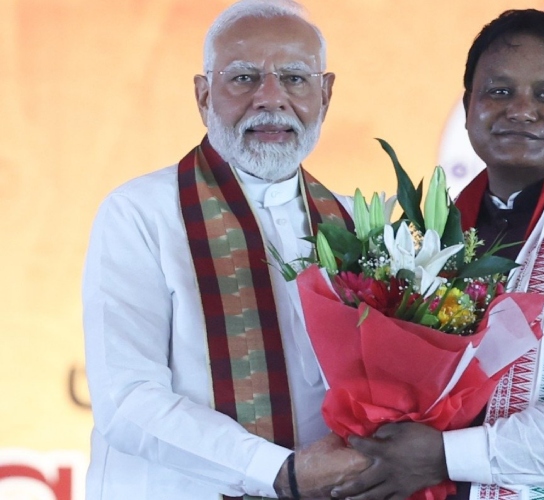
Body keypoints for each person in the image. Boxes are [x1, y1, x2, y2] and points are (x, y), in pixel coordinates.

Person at [330, 9, 544, 500]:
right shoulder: (424, 245)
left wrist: (444, 457)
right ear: (468, 105)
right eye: (498, 91)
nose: (521, 109)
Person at [82, 1, 369, 498]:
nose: (271, 99)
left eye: (295, 78)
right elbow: (126, 400)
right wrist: (279, 471)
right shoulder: (141, 213)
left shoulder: (357, 223)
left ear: (326, 94)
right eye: (243, 78)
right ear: (202, 94)